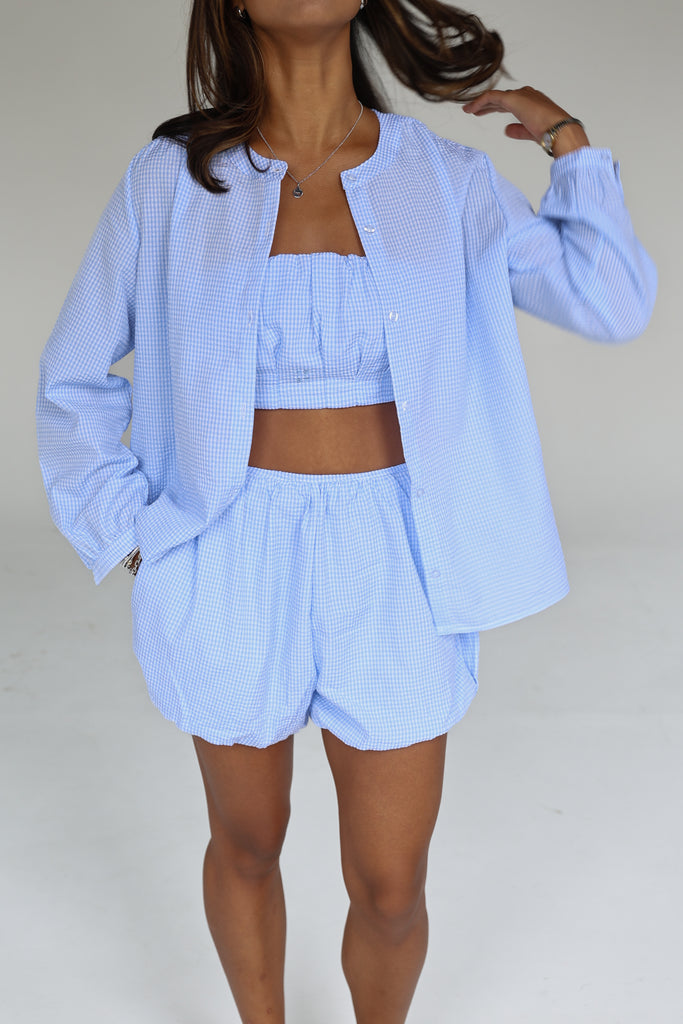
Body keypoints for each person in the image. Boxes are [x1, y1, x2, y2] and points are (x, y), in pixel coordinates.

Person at [35, 1, 657, 1021]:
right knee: (245, 842)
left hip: (396, 559)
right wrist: (138, 538)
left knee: (391, 885)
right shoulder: (171, 182)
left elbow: (612, 298)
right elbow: (73, 377)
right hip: (226, 551)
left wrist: (567, 143)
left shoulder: (444, 182)